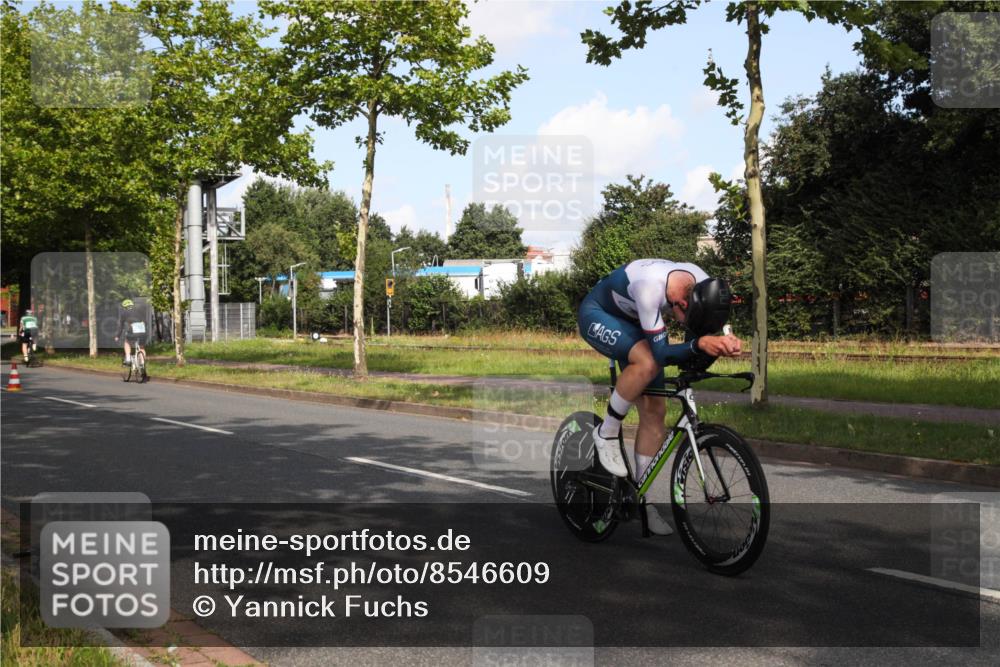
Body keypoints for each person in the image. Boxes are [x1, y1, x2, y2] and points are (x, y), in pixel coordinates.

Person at [578, 259, 742, 535]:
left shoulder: (702, 283)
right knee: (648, 363)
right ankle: (605, 432)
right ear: (681, 303)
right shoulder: (649, 288)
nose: (685, 322)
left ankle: (642, 500)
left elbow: (713, 321)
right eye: (686, 316)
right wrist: (699, 344)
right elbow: (663, 355)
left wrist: (727, 339)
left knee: (655, 411)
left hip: (637, 321)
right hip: (599, 313)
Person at [115, 298, 147, 366]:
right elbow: (145, 322)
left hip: (133, 330)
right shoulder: (139, 311)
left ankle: (128, 358)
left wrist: (118, 336)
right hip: (142, 331)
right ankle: (143, 364)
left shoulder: (124, 313)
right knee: (141, 347)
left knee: (127, 342)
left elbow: (121, 326)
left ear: (124, 307)